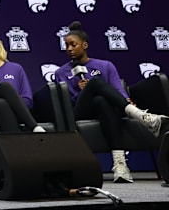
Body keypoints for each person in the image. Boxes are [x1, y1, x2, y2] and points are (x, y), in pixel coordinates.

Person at [55, 21, 168, 183]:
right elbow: (65, 103)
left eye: (73, 45)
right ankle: (141, 116)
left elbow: (118, 88)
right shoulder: (61, 72)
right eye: (67, 46)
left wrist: (126, 99)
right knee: (94, 83)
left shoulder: (105, 65)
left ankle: (120, 165)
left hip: (106, 108)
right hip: (80, 110)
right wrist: (81, 91)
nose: (69, 49)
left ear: (85, 45)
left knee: (101, 100)